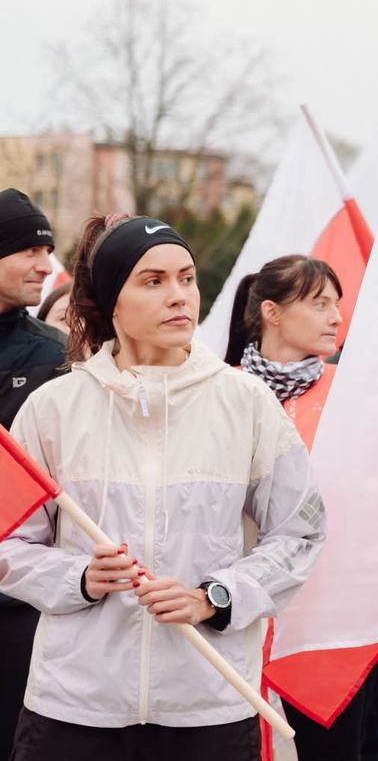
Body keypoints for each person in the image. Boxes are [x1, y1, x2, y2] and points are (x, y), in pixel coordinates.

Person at [0, 213, 326, 760]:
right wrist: (79, 576)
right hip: (75, 705)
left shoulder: (245, 403)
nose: (179, 297)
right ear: (112, 302)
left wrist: (215, 596)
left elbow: (300, 534)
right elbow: (9, 543)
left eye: (186, 278)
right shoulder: (54, 408)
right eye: (153, 282)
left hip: (209, 704)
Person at [222, 254, 361, 759]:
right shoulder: (220, 389)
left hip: (328, 613)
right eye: (320, 304)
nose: (336, 318)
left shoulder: (353, 395)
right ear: (271, 313)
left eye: (337, 305)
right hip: (231, 604)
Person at [0, 188, 67, 757]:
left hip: (16, 602)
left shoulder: (55, 356)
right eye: (28, 250)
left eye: (48, 250)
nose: (45, 265)